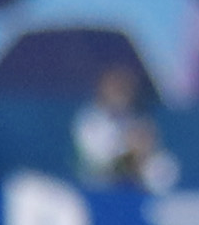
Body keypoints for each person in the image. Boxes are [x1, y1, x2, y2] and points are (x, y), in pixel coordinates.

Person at [70, 63, 177, 194]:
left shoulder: (138, 118)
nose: (121, 93)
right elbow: (100, 163)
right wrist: (132, 155)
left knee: (163, 165)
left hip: (136, 182)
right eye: (115, 87)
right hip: (98, 186)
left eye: (124, 88)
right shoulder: (91, 119)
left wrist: (142, 151)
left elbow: (151, 152)